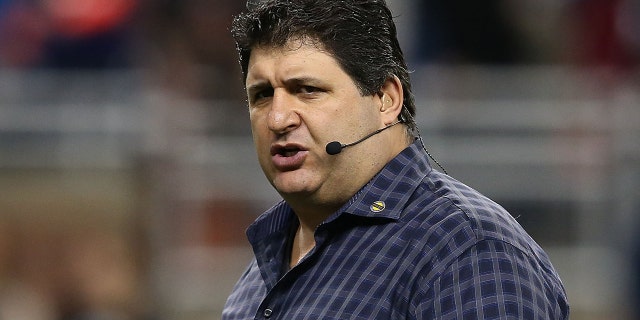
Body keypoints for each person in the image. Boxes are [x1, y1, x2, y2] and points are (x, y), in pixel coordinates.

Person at [223, 0, 570, 319]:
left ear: (386, 99)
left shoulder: (469, 252)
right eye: (263, 95)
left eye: (307, 89)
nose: (278, 118)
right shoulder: (260, 272)